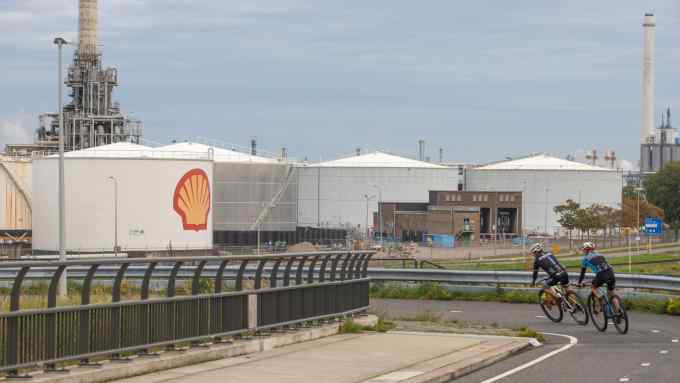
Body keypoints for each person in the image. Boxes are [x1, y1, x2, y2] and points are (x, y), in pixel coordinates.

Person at [577, 242, 620, 312]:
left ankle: (601, 299)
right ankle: (619, 312)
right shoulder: (601, 254)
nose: (583, 251)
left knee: (593, 287)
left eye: (583, 249)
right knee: (611, 293)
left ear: (586, 250)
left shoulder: (585, 259)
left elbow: (582, 273)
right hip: (611, 272)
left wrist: (579, 283)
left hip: (601, 274)